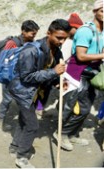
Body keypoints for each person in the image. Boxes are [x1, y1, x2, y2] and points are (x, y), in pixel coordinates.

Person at [8, 19, 71, 168]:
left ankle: (15, 146)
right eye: (58, 37)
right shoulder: (31, 50)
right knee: (33, 126)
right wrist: (53, 72)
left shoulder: (56, 50)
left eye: (65, 38)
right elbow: (27, 77)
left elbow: (52, 71)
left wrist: (58, 81)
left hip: (37, 93)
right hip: (23, 92)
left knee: (25, 120)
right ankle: (22, 157)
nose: (61, 41)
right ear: (48, 33)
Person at [53, 0, 103, 151]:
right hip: (76, 73)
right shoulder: (85, 30)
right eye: (102, 10)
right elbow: (81, 56)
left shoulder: (102, 31)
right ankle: (60, 133)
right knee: (69, 107)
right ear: (95, 12)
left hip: (91, 73)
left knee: (85, 108)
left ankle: (72, 133)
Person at [0, 20, 40, 131]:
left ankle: (23, 123)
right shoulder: (12, 43)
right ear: (23, 31)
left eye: (35, 34)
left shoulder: (30, 43)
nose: (33, 36)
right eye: (32, 33)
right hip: (9, 78)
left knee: (22, 100)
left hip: (22, 78)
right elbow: (4, 61)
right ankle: (1, 120)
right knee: (7, 100)